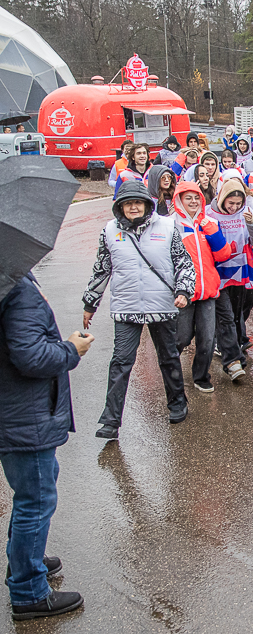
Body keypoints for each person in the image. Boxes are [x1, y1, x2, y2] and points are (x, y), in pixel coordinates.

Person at [1, 273, 92, 620]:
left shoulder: (11, 280)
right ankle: (29, 591)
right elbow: (30, 357)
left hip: (17, 412)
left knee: (32, 493)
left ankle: (24, 561)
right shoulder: (16, 288)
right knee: (35, 500)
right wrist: (71, 349)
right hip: (25, 416)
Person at [83, 180, 196, 438]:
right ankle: (111, 420)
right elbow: (101, 269)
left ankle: (177, 403)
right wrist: (90, 303)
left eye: (138, 202)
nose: (133, 207)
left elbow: (184, 262)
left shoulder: (167, 226)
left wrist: (183, 291)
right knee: (121, 362)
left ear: (147, 204)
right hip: (126, 307)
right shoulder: (109, 231)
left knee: (168, 357)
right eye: (128, 203)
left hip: (161, 306)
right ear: (120, 207)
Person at [170, 181, 241, 392]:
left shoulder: (209, 222)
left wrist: (213, 233)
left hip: (208, 290)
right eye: (188, 198)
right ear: (179, 200)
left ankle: (201, 376)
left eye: (196, 198)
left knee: (207, 338)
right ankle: (170, 369)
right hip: (184, 292)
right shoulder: (170, 224)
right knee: (181, 337)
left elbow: (223, 255)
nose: (193, 202)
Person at [206, 179, 253, 367]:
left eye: (238, 203)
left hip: (242, 270)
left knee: (238, 311)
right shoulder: (209, 214)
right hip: (218, 271)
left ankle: (231, 343)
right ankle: (228, 352)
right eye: (230, 203)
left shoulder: (247, 213)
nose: (234, 207)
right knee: (225, 314)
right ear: (222, 198)